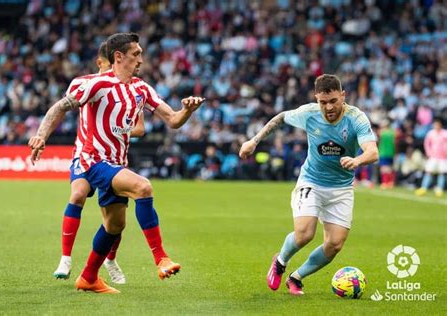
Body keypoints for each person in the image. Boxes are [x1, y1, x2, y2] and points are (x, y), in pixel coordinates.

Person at [29, 32, 205, 293]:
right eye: (136, 54)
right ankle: (161, 258)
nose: (141, 60)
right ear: (119, 57)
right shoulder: (93, 84)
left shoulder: (141, 88)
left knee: (115, 225)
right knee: (143, 187)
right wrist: (41, 135)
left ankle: (88, 277)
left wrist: (188, 111)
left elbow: (173, 120)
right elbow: (59, 108)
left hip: (116, 162)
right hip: (93, 161)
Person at [239, 74, 378, 296]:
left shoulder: (356, 118)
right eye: (323, 102)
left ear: (343, 96)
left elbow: (372, 152)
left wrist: (357, 160)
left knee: (335, 244)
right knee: (304, 233)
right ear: (316, 99)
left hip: (341, 188)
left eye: (333, 101)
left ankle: (297, 277)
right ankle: (281, 261)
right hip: (311, 181)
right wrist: (253, 141)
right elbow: (280, 118)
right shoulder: (309, 113)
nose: (328, 107)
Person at [53, 41, 145, 285]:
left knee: (116, 221)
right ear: (101, 63)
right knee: (78, 194)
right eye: (106, 66)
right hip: (86, 154)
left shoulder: (129, 90)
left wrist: (117, 128)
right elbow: (63, 109)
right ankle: (65, 258)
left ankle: (110, 259)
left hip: (114, 157)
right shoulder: (83, 84)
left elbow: (139, 127)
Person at [415, 118, 447, 197]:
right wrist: (428, 152)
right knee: (428, 172)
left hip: (443, 157)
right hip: (433, 156)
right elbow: (427, 143)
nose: (436, 126)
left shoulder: (445, 133)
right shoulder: (431, 133)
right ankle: (424, 188)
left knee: (442, 173)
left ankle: (439, 189)